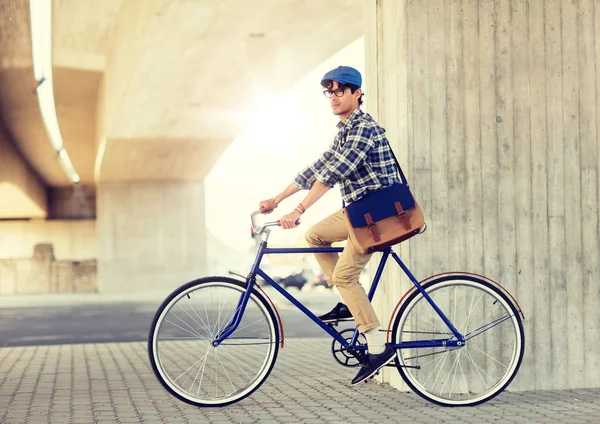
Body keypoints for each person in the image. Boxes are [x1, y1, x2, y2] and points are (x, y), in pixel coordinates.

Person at [258, 66, 399, 385]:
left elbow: (333, 173)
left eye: (341, 90)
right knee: (315, 236)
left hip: (379, 213)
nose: (334, 97)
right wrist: (277, 199)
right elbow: (318, 166)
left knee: (345, 275)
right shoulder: (344, 129)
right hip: (359, 211)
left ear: (357, 93)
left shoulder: (363, 128)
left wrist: (298, 209)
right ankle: (350, 302)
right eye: (330, 92)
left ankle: (377, 348)